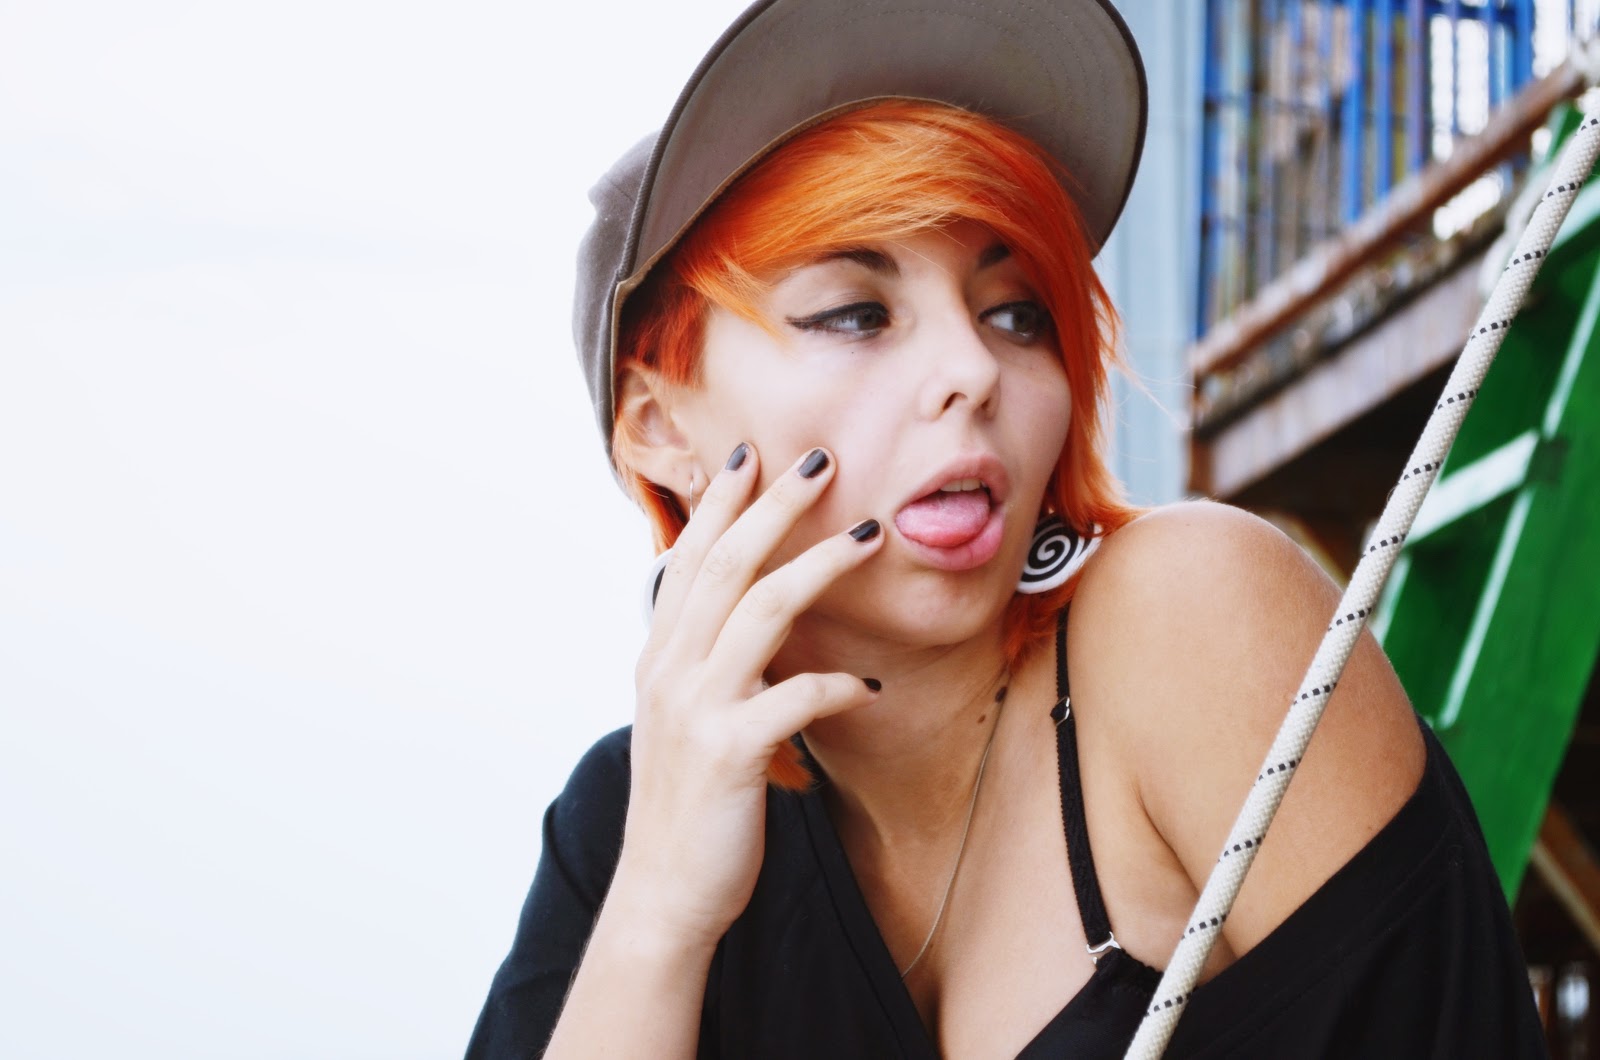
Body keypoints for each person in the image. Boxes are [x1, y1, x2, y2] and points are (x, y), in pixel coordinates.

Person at [467, 0, 1547, 1056]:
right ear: (658, 426)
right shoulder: (623, 824)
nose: (972, 369)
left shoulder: (1186, 622)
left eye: (1016, 311)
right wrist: (658, 915)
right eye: (855, 312)